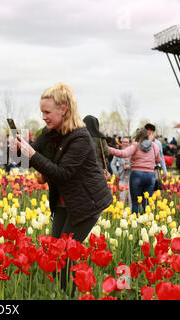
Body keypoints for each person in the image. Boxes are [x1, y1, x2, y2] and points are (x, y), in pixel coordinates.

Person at [11, 82, 113, 292]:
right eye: (42, 112)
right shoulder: (49, 132)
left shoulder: (81, 138)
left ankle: (73, 293)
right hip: (62, 202)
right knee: (54, 254)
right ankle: (63, 292)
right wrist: (18, 151)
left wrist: (32, 154)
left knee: (66, 256)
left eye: (47, 112)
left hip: (86, 204)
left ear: (64, 109)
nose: (43, 117)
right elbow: (29, 160)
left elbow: (62, 174)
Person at [108, 128, 161, 215]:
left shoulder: (136, 145)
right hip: (150, 176)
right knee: (147, 203)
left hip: (137, 175)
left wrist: (108, 148)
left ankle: (134, 222)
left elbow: (123, 154)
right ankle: (146, 223)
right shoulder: (154, 146)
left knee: (135, 202)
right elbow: (158, 160)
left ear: (137, 136)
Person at [111, 136, 131, 206]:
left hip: (130, 179)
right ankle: (121, 214)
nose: (125, 143)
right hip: (121, 178)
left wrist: (129, 166)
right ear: (121, 143)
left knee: (130, 198)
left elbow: (137, 163)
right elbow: (112, 164)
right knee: (122, 198)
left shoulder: (132, 153)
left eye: (127, 142)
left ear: (129, 143)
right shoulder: (118, 153)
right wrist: (116, 174)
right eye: (123, 142)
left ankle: (131, 215)